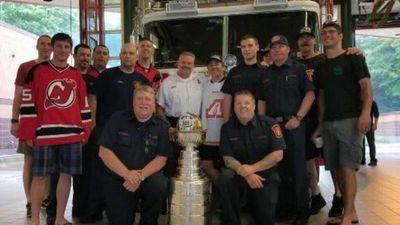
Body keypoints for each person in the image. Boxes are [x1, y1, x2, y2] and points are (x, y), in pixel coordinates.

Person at [19, 32, 91, 225]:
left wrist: (85, 130)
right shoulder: (37, 71)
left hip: (72, 134)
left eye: (66, 47)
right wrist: (27, 132)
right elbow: (28, 103)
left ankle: (59, 218)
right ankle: (34, 220)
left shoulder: (76, 75)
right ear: (52, 48)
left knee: (66, 176)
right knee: (40, 176)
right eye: (59, 46)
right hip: (44, 134)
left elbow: (82, 105)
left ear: (70, 51)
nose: (62, 50)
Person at [313, 22, 373, 225]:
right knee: (336, 169)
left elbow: (366, 86)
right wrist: (320, 124)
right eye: (324, 32)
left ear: (340, 36)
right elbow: (321, 97)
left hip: (351, 120)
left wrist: (365, 113)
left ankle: (347, 215)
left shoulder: (353, 58)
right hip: (329, 123)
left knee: (347, 168)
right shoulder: (321, 67)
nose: (327, 35)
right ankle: (351, 212)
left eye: (332, 32)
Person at [88, 43, 150, 223]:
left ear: (136, 56)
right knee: (102, 171)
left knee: (124, 170)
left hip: (132, 134)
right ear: (120, 56)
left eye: (131, 53)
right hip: (107, 131)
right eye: (124, 53)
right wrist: (92, 123)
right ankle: (96, 210)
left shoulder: (141, 79)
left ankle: (124, 207)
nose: (128, 56)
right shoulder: (107, 75)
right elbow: (93, 98)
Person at [257, 35, 315, 225]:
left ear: (288, 49)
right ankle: (285, 209)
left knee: (298, 168)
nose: (276, 50)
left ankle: (301, 210)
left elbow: (310, 94)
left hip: (294, 125)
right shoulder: (265, 74)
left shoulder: (299, 69)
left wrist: (298, 118)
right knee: (278, 169)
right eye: (273, 48)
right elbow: (262, 101)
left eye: (281, 46)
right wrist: (262, 125)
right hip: (273, 127)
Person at [98, 84, 172, 225]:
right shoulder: (117, 119)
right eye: (139, 98)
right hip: (120, 177)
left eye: (148, 99)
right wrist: (127, 174)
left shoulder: (163, 126)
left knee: (159, 184)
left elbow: (161, 158)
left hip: (147, 177)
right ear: (133, 101)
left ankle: (149, 221)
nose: (144, 102)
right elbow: (104, 151)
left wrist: (139, 177)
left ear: (154, 104)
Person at [219, 90, 285, 225]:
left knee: (266, 220)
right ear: (234, 107)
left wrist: (252, 168)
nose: (242, 106)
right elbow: (227, 158)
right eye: (238, 103)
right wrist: (247, 173)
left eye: (246, 103)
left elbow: (278, 155)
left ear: (254, 106)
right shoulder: (227, 128)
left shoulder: (270, 124)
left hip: (264, 176)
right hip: (239, 175)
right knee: (226, 177)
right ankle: (231, 221)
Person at [10, 34, 52, 218]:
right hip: (29, 122)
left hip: (50, 123)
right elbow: (18, 93)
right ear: (37, 46)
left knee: (50, 163)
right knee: (29, 160)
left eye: (49, 44)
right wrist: (14, 119)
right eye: (42, 43)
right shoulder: (25, 67)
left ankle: (46, 197)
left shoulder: (55, 68)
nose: (45, 47)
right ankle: (29, 200)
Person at [296, 26, 327, 215]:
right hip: (301, 117)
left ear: (315, 41)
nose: (305, 41)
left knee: (326, 161)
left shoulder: (323, 60)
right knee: (306, 160)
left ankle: (337, 199)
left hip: (321, 116)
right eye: (302, 38)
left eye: (309, 37)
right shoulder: (294, 62)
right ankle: (314, 195)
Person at [157, 51, 203, 177]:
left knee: (193, 163)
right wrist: (167, 126)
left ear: (193, 65)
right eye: (183, 62)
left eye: (189, 63)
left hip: (195, 128)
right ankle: (171, 194)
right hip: (173, 125)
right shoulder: (167, 82)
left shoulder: (200, 81)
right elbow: (159, 106)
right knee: (172, 162)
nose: (186, 65)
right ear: (178, 63)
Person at [221, 34, 265, 122]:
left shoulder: (265, 72)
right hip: (236, 124)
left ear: (257, 47)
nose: (246, 49)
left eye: (250, 45)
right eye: (243, 46)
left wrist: (262, 125)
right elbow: (227, 99)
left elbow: (264, 99)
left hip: (257, 124)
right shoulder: (233, 72)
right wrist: (226, 124)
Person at [200, 55, 226, 186]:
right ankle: (224, 192)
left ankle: (227, 197)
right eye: (211, 64)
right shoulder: (203, 85)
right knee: (205, 166)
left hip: (225, 135)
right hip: (208, 135)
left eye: (217, 63)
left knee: (227, 169)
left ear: (223, 66)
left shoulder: (229, 83)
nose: (214, 66)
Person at [361, 100, 379, 166]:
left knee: (371, 143)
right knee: (361, 144)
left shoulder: (372, 102)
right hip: (361, 126)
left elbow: (376, 114)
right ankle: (362, 160)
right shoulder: (358, 103)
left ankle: (373, 160)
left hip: (369, 126)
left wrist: (375, 124)